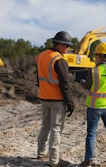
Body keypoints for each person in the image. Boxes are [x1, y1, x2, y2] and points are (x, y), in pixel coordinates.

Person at [35, 31, 75, 167]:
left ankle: (40, 153)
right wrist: (70, 102)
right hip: (57, 100)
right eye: (67, 46)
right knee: (56, 129)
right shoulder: (59, 60)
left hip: (44, 98)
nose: (68, 49)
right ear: (61, 44)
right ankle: (53, 161)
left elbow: (38, 78)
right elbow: (65, 84)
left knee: (45, 126)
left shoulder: (40, 56)